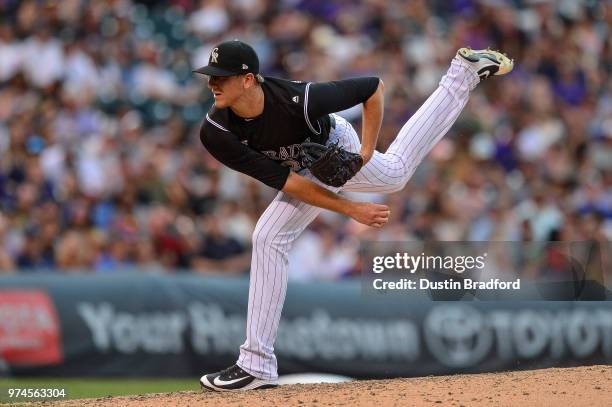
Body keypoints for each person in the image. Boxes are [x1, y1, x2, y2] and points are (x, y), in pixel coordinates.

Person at [195, 40, 513, 391]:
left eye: (221, 77)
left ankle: (462, 74)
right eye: (211, 76)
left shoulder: (298, 101)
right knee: (268, 237)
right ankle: (255, 365)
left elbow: (372, 88)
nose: (212, 83)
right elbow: (291, 182)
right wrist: (350, 208)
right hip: (304, 170)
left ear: (248, 80)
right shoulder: (216, 132)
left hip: (335, 146)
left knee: (394, 173)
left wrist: (362, 153)